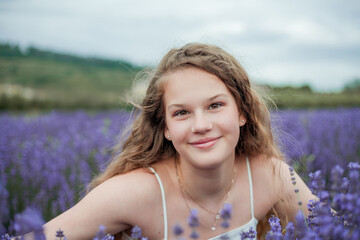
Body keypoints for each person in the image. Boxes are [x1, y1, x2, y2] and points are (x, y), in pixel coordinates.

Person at [41, 43, 315, 239]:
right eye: (182, 113)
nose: (201, 126)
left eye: (215, 105)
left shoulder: (270, 175)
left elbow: (342, 228)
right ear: (166, 128)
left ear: (242, 112)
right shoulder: (136, 192)